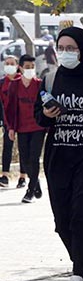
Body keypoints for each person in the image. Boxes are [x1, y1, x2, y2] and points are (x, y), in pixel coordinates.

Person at [33, 27, 83, 281]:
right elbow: (38, 119)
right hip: (58, 158)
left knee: (80, 214)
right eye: (61, 47)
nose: (65, 53)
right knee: (62, 220)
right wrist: (46, 114)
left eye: (72, 48)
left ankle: (77, 276)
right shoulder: (50, 79)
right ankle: (81, 261)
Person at [6, 54, 46, 203]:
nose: (30, 70)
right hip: (21, 127)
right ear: (20, 68)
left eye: (32, 67)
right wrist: (10, 127)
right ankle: (36, 181)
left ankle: (30, 190)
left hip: (37, 127)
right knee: (25, 158)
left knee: (34, 158)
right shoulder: (15, 85)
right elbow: (9, 108)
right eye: (27, 67)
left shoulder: (39, 84)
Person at [0, 55, 26, 188]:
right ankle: (4, 175)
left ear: (17, 66)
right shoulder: (2, 82)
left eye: (12, 63)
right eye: (7, 63)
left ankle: (23, 176)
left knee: (23, 147)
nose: (9, 66)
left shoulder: (22, 81)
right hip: (7, 119)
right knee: (7, 146)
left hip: (22, 119)